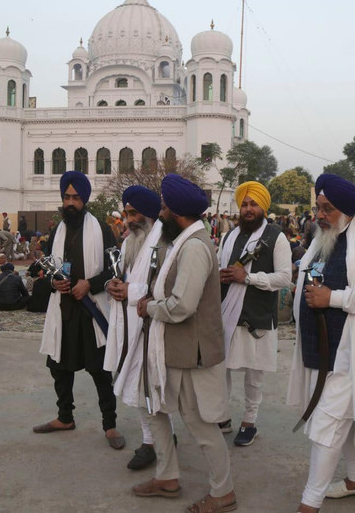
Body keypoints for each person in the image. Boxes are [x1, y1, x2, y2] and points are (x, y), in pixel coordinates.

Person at [287, 174, 355, 513]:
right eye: (318, 207)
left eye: (328, 209)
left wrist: (332, 298)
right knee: (344, 419)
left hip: (350, 351)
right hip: (316, 348)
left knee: (327, 425)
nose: (320, 215)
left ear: (347, 212)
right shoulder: (322, 239)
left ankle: (310, 502)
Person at [131, 174, 236, 513]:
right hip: (171, 347)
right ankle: (167, 476)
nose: (159, 213)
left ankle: (223, 493)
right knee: (156, 408)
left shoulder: (193, 247)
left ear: (176, 212)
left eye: (163, 207)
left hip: (193, 352)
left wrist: (149, 307)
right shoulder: (182, 241)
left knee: (201, 426)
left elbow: (182, 306)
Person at [34, 170, 125, 451]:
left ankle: (110, 426)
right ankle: (65, 417)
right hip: (63, 310)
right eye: (66, 197)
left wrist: (90, 284)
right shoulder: (55, 233)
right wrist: (54, 281)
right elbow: (49, 266)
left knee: (99, 371)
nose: (70, 202)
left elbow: (115, 267)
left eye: (75, 197)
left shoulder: (102, 228)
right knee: (59, 368)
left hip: (92, 309)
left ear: (84, 200)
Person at [217, 181, 292, 445]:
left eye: (253, 204)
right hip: (227, 312)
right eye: (244, 204)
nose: (248, 209)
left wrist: (247, 278)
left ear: (263, 207)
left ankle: (249, 421)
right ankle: (222, 416)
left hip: (256, 315)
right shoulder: (229, 237)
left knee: (254, 374)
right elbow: (219, 266)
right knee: (220, 367)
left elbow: (284, 278)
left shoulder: (276, 237)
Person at [104, 185, 164, 471]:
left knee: (150, 387)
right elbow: (121, 276)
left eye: (134, 213)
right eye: (127, 213)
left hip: (153, 326)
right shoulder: (130, 242)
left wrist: (131, 290)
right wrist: (112, 285)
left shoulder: (164, 242)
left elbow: (165, 287)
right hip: (130, 325)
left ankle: (154, 442)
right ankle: (154, 439)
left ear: (149, 215)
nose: (129, 219)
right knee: (137, 386)